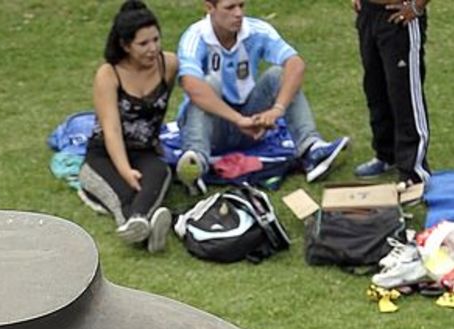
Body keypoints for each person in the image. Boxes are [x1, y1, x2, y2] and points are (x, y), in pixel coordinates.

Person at [174, 0, 349, 189]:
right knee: (208, 83)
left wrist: (277, 109)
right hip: (212, 130)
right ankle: (196, 164)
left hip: (250, 127)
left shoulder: (256, 30)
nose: (238, 13)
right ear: (209, 8)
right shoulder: (195, 37)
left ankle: (311, 148)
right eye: (230, 7)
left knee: (278, 74)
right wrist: (237, 119)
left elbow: (296, 64)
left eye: (241, 5)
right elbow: (191, 86)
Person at [78, 3, 178, 252]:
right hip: (105, 154)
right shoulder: (109, 74)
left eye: (156, 40)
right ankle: (138, 226)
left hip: (145, 152)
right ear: (125, 45)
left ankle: (141, 224)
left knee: (160, 173)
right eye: (144, 44)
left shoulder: (170, 64)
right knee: (126, 192)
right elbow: (111, 130)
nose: (153, 48)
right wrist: (126, 171)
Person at [354, 0, 430, 184]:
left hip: (399, 16)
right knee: (375, 89)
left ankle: (414, 169)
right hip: (369, 14)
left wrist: (417, 5)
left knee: (404, 93)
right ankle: (386, 154)